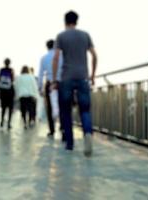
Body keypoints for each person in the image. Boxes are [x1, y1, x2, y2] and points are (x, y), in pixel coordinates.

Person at [52, 11, 98, 156]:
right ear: (77, 21)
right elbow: (94, 55)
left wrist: (54, 80)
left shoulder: (61, 36)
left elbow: (56, 58)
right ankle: (88, 133)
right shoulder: (85, 35)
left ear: (65, 21)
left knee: (65, 110)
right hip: (83, 77)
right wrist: (92, 75)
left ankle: (70, 143)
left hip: (66, 78)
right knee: (85, 109)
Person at [38, 40, 63, 138]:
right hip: (61, 83)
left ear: (47, 47)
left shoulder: (44, 58)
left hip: (49, 83)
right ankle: (63, 126)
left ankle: (52, 130)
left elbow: (40, 74)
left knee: (49, 108)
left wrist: (40, 87)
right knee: (62, 105)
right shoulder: (61, 56)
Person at [0, 58, 15, 130]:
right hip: (9, 91)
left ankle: (1, 121)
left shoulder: (1, 70)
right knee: (10, 108)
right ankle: (9, 123)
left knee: (3, 108)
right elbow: (13, 79)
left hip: (3, 91)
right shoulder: (11, 70)